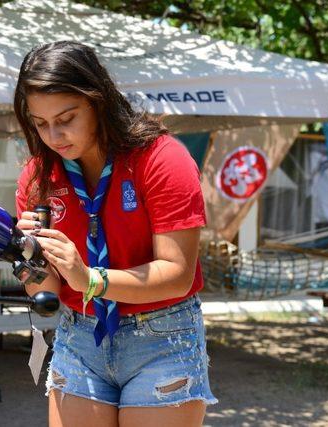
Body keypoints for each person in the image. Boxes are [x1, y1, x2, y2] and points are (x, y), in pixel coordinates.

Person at [14, 41, 217, 427]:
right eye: (40, 123)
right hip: (79, 333)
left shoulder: (162, 159)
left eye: (67, 118)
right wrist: (28, 259)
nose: (53, 135)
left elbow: (177, 275)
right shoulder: (38, 175)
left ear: (99, 101)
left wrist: (90, 278)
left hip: (162, 334)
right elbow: (48, 292)